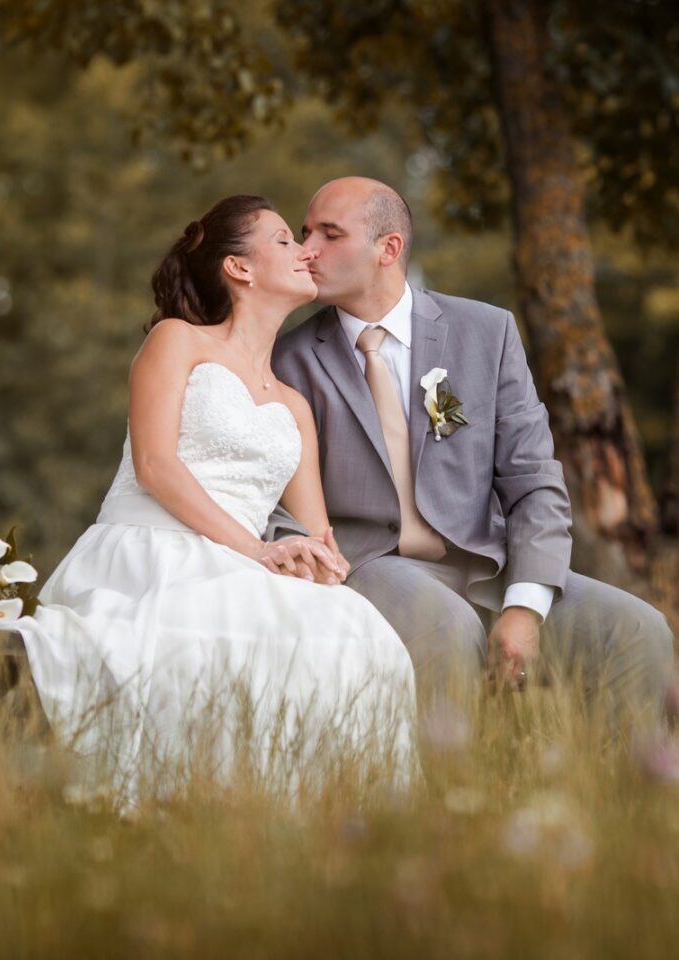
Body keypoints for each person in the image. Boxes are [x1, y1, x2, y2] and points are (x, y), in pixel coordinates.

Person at [0, 195, 420, 798]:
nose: (306, 251)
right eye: (286, 240)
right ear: (239, 268)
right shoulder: (178, 342)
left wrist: (320, 561)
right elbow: (155, 465)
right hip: (150, 549)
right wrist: (257, 552)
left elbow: (316, 531)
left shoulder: (295, 406)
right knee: (192, 640)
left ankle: (310, 817)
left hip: (240, 564)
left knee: (362, 638)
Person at [269, 176, 674, 725]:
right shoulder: (289, 356)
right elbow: (277, 497)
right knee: (448, 628)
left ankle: (622, 800)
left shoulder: (487, 332)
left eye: (330, 234)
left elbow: (534, 483)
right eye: (304, 231)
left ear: (389, 249)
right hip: (372, 564)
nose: (306, 249)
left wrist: (526, 607)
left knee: (637, 629)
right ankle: (457, 800)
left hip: (489, 562)